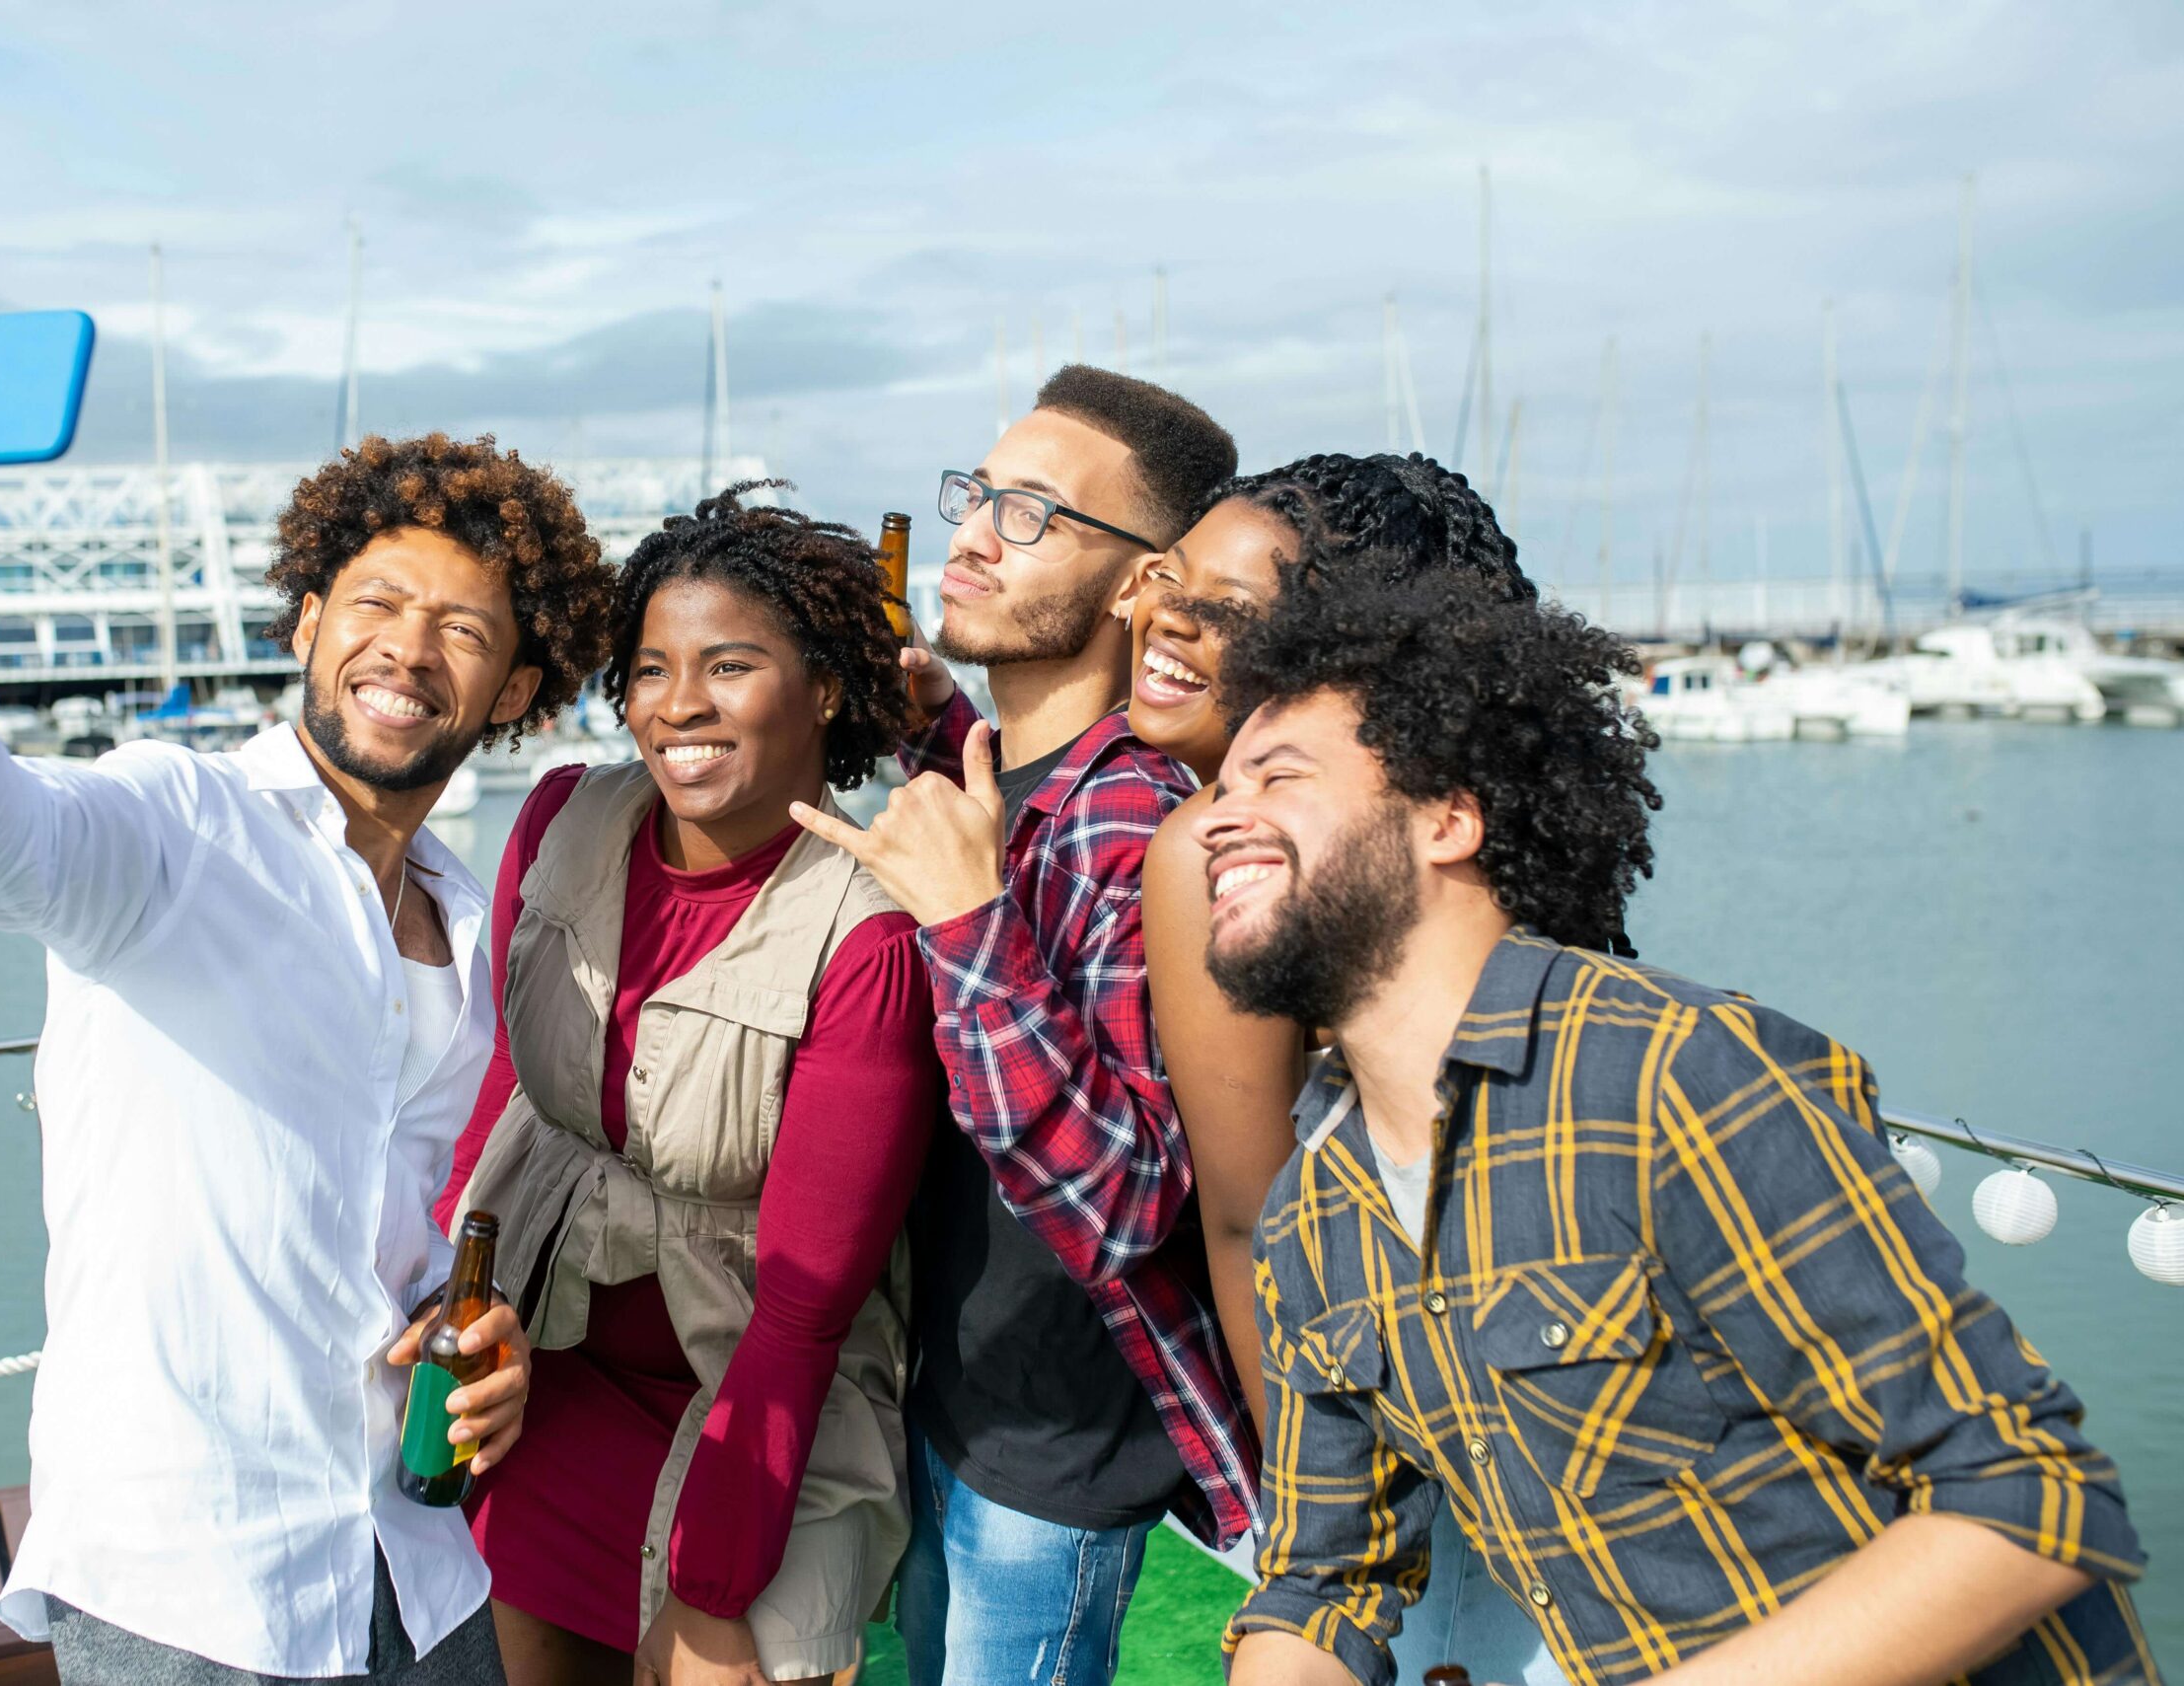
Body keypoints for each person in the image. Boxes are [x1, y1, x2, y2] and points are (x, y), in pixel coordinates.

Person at [0, 301, 620, 1684]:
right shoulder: (174, 828)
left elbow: (403, 1229)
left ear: (516, 685)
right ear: (308, 619)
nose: (409, 649)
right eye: (376, 604)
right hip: (193, 1587)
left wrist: (481, 1339)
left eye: (462, 629)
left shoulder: (475, 928)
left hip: (418, 1562)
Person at [1201, 559, 2153, 1685]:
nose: (1220, 817)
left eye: (1275, 774)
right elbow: (1321, 1582)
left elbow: (2029, 1488)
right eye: (1218, 789)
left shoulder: (1674, 1075)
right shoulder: (1314, 1208)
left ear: (1448, 816)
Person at [789, 366, 1252, 1686]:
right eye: (978, 493)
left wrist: (969, 925)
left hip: (1052, 1460)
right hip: (947, 1390)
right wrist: (932, 713)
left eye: (1033, 513)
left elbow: (1131, 1198)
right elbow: (996, 782)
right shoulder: (1002, 770)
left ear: (1138, 584)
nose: (975, 533)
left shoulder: (1144, 822)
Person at [438, 486, 940, 1686]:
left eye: (728, 665)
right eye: (651, 667)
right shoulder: (564, 815)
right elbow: (509, 1079)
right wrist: (451, 1291)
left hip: (764, 1410)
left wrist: (715, 1588)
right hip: (545, 1367)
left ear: (822, 687)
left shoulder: (866, 935)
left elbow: (804, 1313)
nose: (678, 706)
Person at [1128, 454, 1553, 1684]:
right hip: (1534, 1388)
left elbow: (1248, 1211)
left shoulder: (1199, 849)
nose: (1171, 620)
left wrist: (1307, 1534)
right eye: (1173, 580)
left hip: (1389, 1447)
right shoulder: (1443, 820)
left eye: (1232, 609)